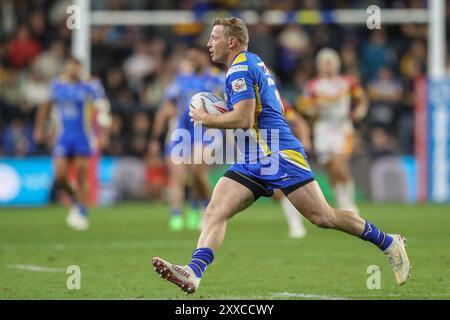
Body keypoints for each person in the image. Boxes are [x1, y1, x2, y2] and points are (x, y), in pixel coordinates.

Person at [152, 17, 410, 294]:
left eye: (214, 37)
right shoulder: (250, 63)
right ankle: (194, 272)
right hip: (253, 157)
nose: (208, 43)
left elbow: (243, 118)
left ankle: (388, 242)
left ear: (231, 42)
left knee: (323, 217)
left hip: (277, 153)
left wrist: (206, 118)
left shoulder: (239, 70)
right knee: (215, 211)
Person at [148, 45, 224, 231]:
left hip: (206, 130)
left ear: (205, 58)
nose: (192, 60)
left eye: (195, 56)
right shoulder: (180, 81)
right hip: (181, 131)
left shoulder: (216, 79)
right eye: (189, 57)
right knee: (176, 174)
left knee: (197, 170)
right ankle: (176, 214)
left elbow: (229, 103)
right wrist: (155, 139)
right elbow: (166, 108)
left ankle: (203, 207)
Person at [34, 57, 111, 230]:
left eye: (76, 66)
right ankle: (76, 199)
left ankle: (82, 211)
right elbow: (45, 107)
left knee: (82, 175)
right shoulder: (57, 86)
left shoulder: (90, 87)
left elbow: (103, 109)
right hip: (63, 136)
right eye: (70, 66)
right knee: (60, 176)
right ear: (66, 68)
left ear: (80, 69)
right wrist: (39, 128)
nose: (73, 69)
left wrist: (104, 132)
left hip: (83, 137)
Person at [300, 48, 368, 214]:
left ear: (336, 64)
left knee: (340, 165)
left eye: (330, 62)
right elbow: (306, 109)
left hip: (342, 128)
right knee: (331, 169)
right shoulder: (312, 85)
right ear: (319, 65)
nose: (328, 66)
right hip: (323, 129)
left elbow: (362, 99)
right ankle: (340, 201)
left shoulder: (347, 82)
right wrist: (313, 110)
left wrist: (360, 110)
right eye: (325, 63)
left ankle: (350, 205)